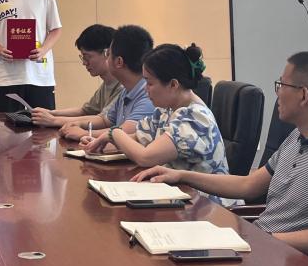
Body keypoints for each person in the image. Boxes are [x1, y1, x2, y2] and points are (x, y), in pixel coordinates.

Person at [135, 51, 308, 255]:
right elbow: (248, 185)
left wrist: (262, 240)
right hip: (262, 248)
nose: (277, 93)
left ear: (303, 95)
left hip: (289, 263)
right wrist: (182, 176)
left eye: (282, 85)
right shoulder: (297, 137)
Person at [82, 43, 233, 205]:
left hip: (208, 207)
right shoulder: (167, 109)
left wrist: (114, 133)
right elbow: (138, 139)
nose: (145, 89)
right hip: (179, 198)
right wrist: (102, 143)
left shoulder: (194, 118)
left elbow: (145, 157)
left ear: (173, 84)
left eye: (149, 83)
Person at [71, 24, 155, 147]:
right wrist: (77, 124)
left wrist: (84, 133)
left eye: (108, 54)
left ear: (119, 62)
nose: (107, 58)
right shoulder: (126, 91)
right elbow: (105, 120)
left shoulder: (148, 94)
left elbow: (126, 131)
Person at [30, 24, 122, 130]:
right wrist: (51, 113)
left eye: (87, 57)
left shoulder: (123, 86)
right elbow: (86, 111)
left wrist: (53, 120)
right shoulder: (107, 84)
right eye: (83, 57)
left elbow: (102, 120)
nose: (84, 62)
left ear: (107, 53)